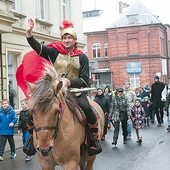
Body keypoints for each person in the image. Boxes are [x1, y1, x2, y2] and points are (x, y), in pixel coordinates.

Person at [25, 18, 101, 155]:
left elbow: (84, 80)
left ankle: (93, 141)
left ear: (74, 39)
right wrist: (29, 34)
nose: (66, 40)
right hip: (55, 92)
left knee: (88, 110)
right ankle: (32, 139)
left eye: (69, 38)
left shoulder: (82, 57)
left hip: (75, 92)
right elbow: (39, 48)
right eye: (64, 38)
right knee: (34, 111)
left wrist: (69, 82)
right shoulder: (55, 52)